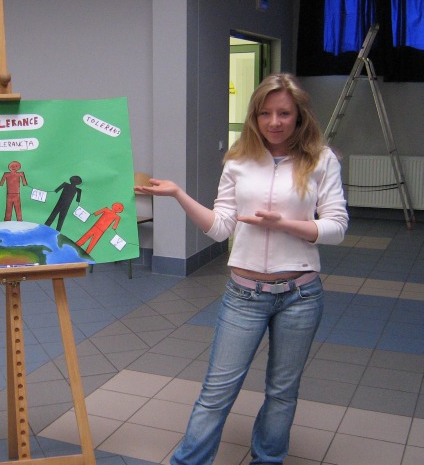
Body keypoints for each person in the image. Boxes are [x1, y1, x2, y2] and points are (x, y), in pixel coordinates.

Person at [135, 73, 348, 465]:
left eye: (284, 113)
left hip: (300, 295)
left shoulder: (322, 160)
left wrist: (285, 225)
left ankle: (268, 459)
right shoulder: (239, 160)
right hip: (244, 295)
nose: (274, 122)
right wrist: (178, 194)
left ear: (299, 116)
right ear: (254, 116)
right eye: (265, 113)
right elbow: (220, 227)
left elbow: (336, 227)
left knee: (282, 392)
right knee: (217, 391)